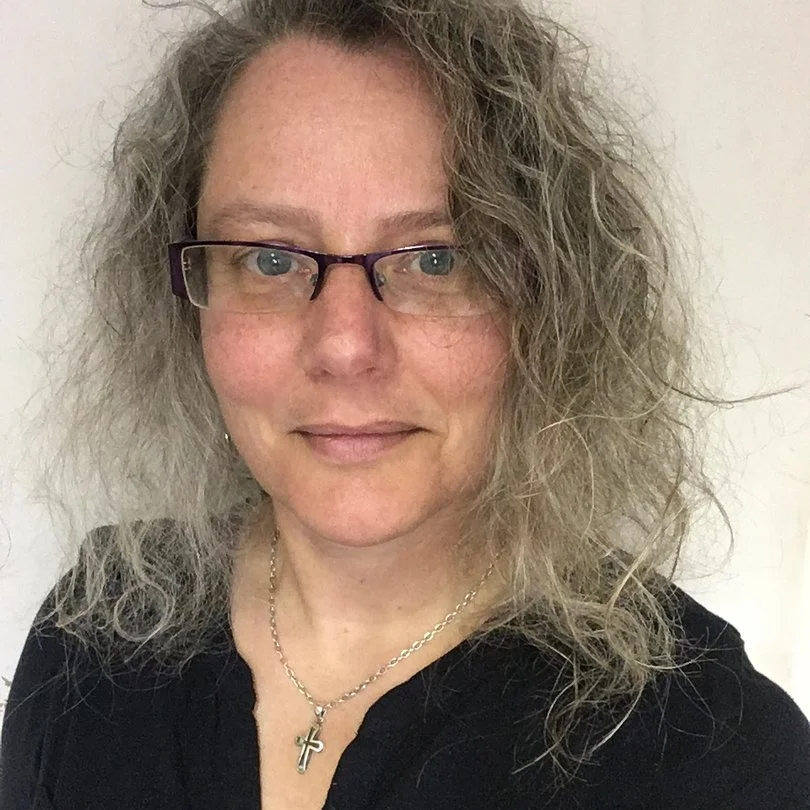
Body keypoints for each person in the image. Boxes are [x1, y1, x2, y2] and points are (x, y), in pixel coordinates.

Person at [1, 0, 808, 807]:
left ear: (552, 303)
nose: (347, 347)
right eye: (269, 259)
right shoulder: (90, 641)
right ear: (188, 299)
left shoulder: (716, 752)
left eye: (437, 258)